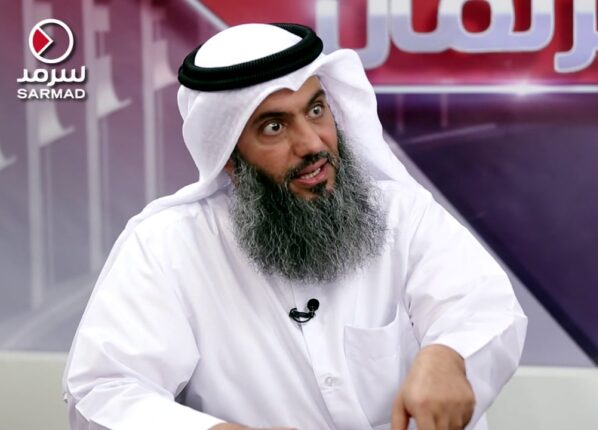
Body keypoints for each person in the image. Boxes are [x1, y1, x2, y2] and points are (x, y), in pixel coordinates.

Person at [63, 23, 527, 430]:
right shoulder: (167, 247)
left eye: (316, 110)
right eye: (274, 127)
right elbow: (104, 392)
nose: (311, 144)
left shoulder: (402, 214)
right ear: (228, 156)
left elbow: (482, 307)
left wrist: (449, 356)